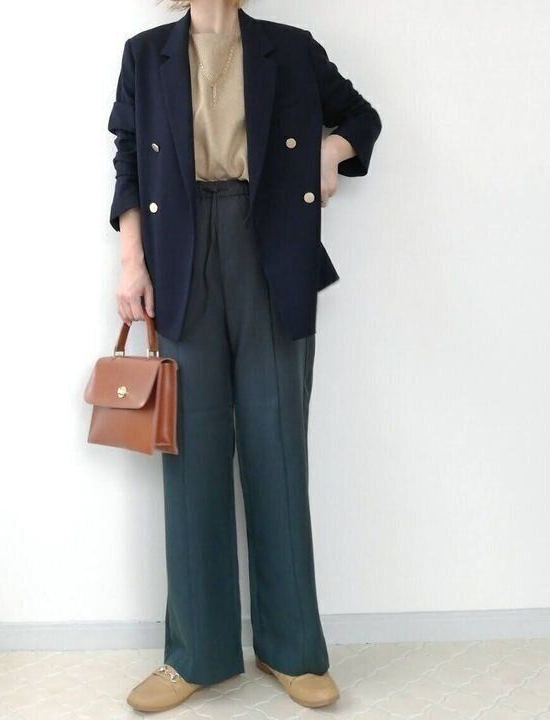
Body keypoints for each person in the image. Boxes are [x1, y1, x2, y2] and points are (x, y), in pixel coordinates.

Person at [106, 0, 381, 712]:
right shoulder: (145, 54)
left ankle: (293, 650)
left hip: (273, 253)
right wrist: (132, 263)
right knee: (191, 454)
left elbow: (362, 119)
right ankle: (196, 655)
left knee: (277, 448)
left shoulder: (290, 48)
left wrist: (329, 151)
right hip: (179, 256)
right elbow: (129, 160)